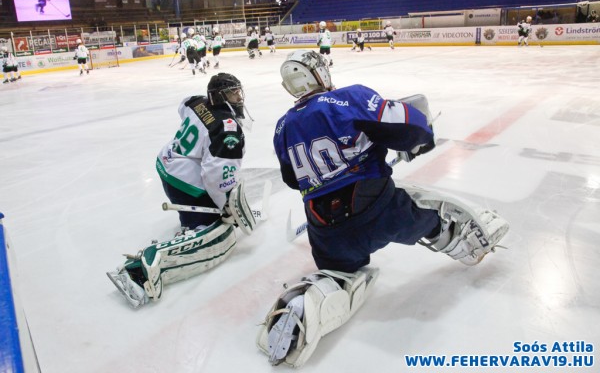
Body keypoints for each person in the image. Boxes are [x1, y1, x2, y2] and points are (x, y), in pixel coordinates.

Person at [256, 50, 509, 367]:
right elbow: (408, 123)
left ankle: (314, 298)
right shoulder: (348, 99)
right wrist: (418, 139)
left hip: (324, 231)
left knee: (338, 271)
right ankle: (458, 239)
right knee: (422, 219)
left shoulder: (283, 127)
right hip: (378, 209)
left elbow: (293, 179)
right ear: (319, 74)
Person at [107, 73, 256, 308]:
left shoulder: (196, 102)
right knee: (217, 228)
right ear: (219, 96)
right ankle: (146, 267)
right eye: (232, 93)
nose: (238, 98)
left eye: (238, 92)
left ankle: (192, 217)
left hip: (166, 165)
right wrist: (226, 206)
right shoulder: (227, 130)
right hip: (184, 184)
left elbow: (183, 104)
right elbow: (216, 175)